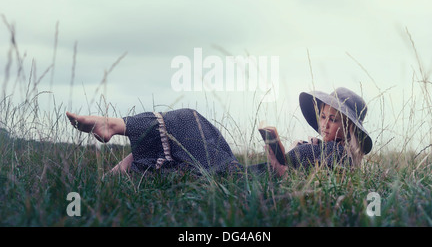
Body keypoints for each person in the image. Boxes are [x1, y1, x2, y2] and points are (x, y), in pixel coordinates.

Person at [66, 87, 372, 177]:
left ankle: (112, 126)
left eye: (333, 120)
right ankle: (105, 182)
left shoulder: (338, 153)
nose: (324, 123)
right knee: (167, 142)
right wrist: (298, 148)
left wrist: (275, 143)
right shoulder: (327, 150)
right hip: (243, 173)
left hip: (241, 180)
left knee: (187, 119)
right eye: (323, 116)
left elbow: (281, 171)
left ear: (348, 128)